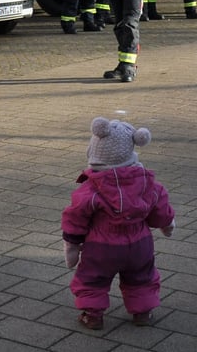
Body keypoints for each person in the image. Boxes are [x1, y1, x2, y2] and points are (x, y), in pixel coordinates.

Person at [62, 116, 176, 331]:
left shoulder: (92, 188)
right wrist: (167, 224)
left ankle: (93, 315)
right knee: (142, 276)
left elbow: (75, 216)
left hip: (101, 246)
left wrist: (73, 243)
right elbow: (160, 207)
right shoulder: (146, 182)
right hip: (140, 243)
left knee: (92, 278)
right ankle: (142, 312)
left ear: (95, 152)